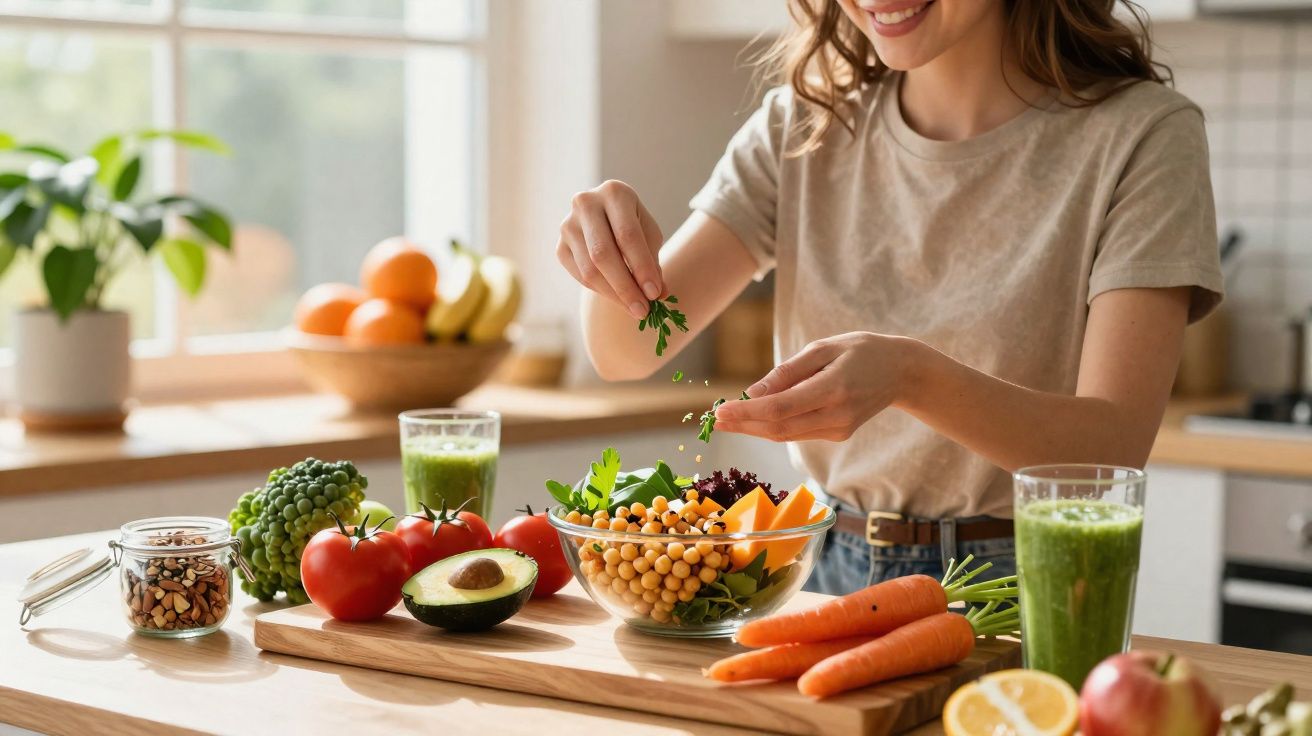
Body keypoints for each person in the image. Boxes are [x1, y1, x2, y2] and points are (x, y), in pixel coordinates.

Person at [554, 0, 1222, 595]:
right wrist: (610, 254)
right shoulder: (802, 126)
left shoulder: (1143, 135)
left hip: (1019, 584)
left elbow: (1111, 451)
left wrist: (911, 377)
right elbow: (627, 351)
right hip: (812, 568)